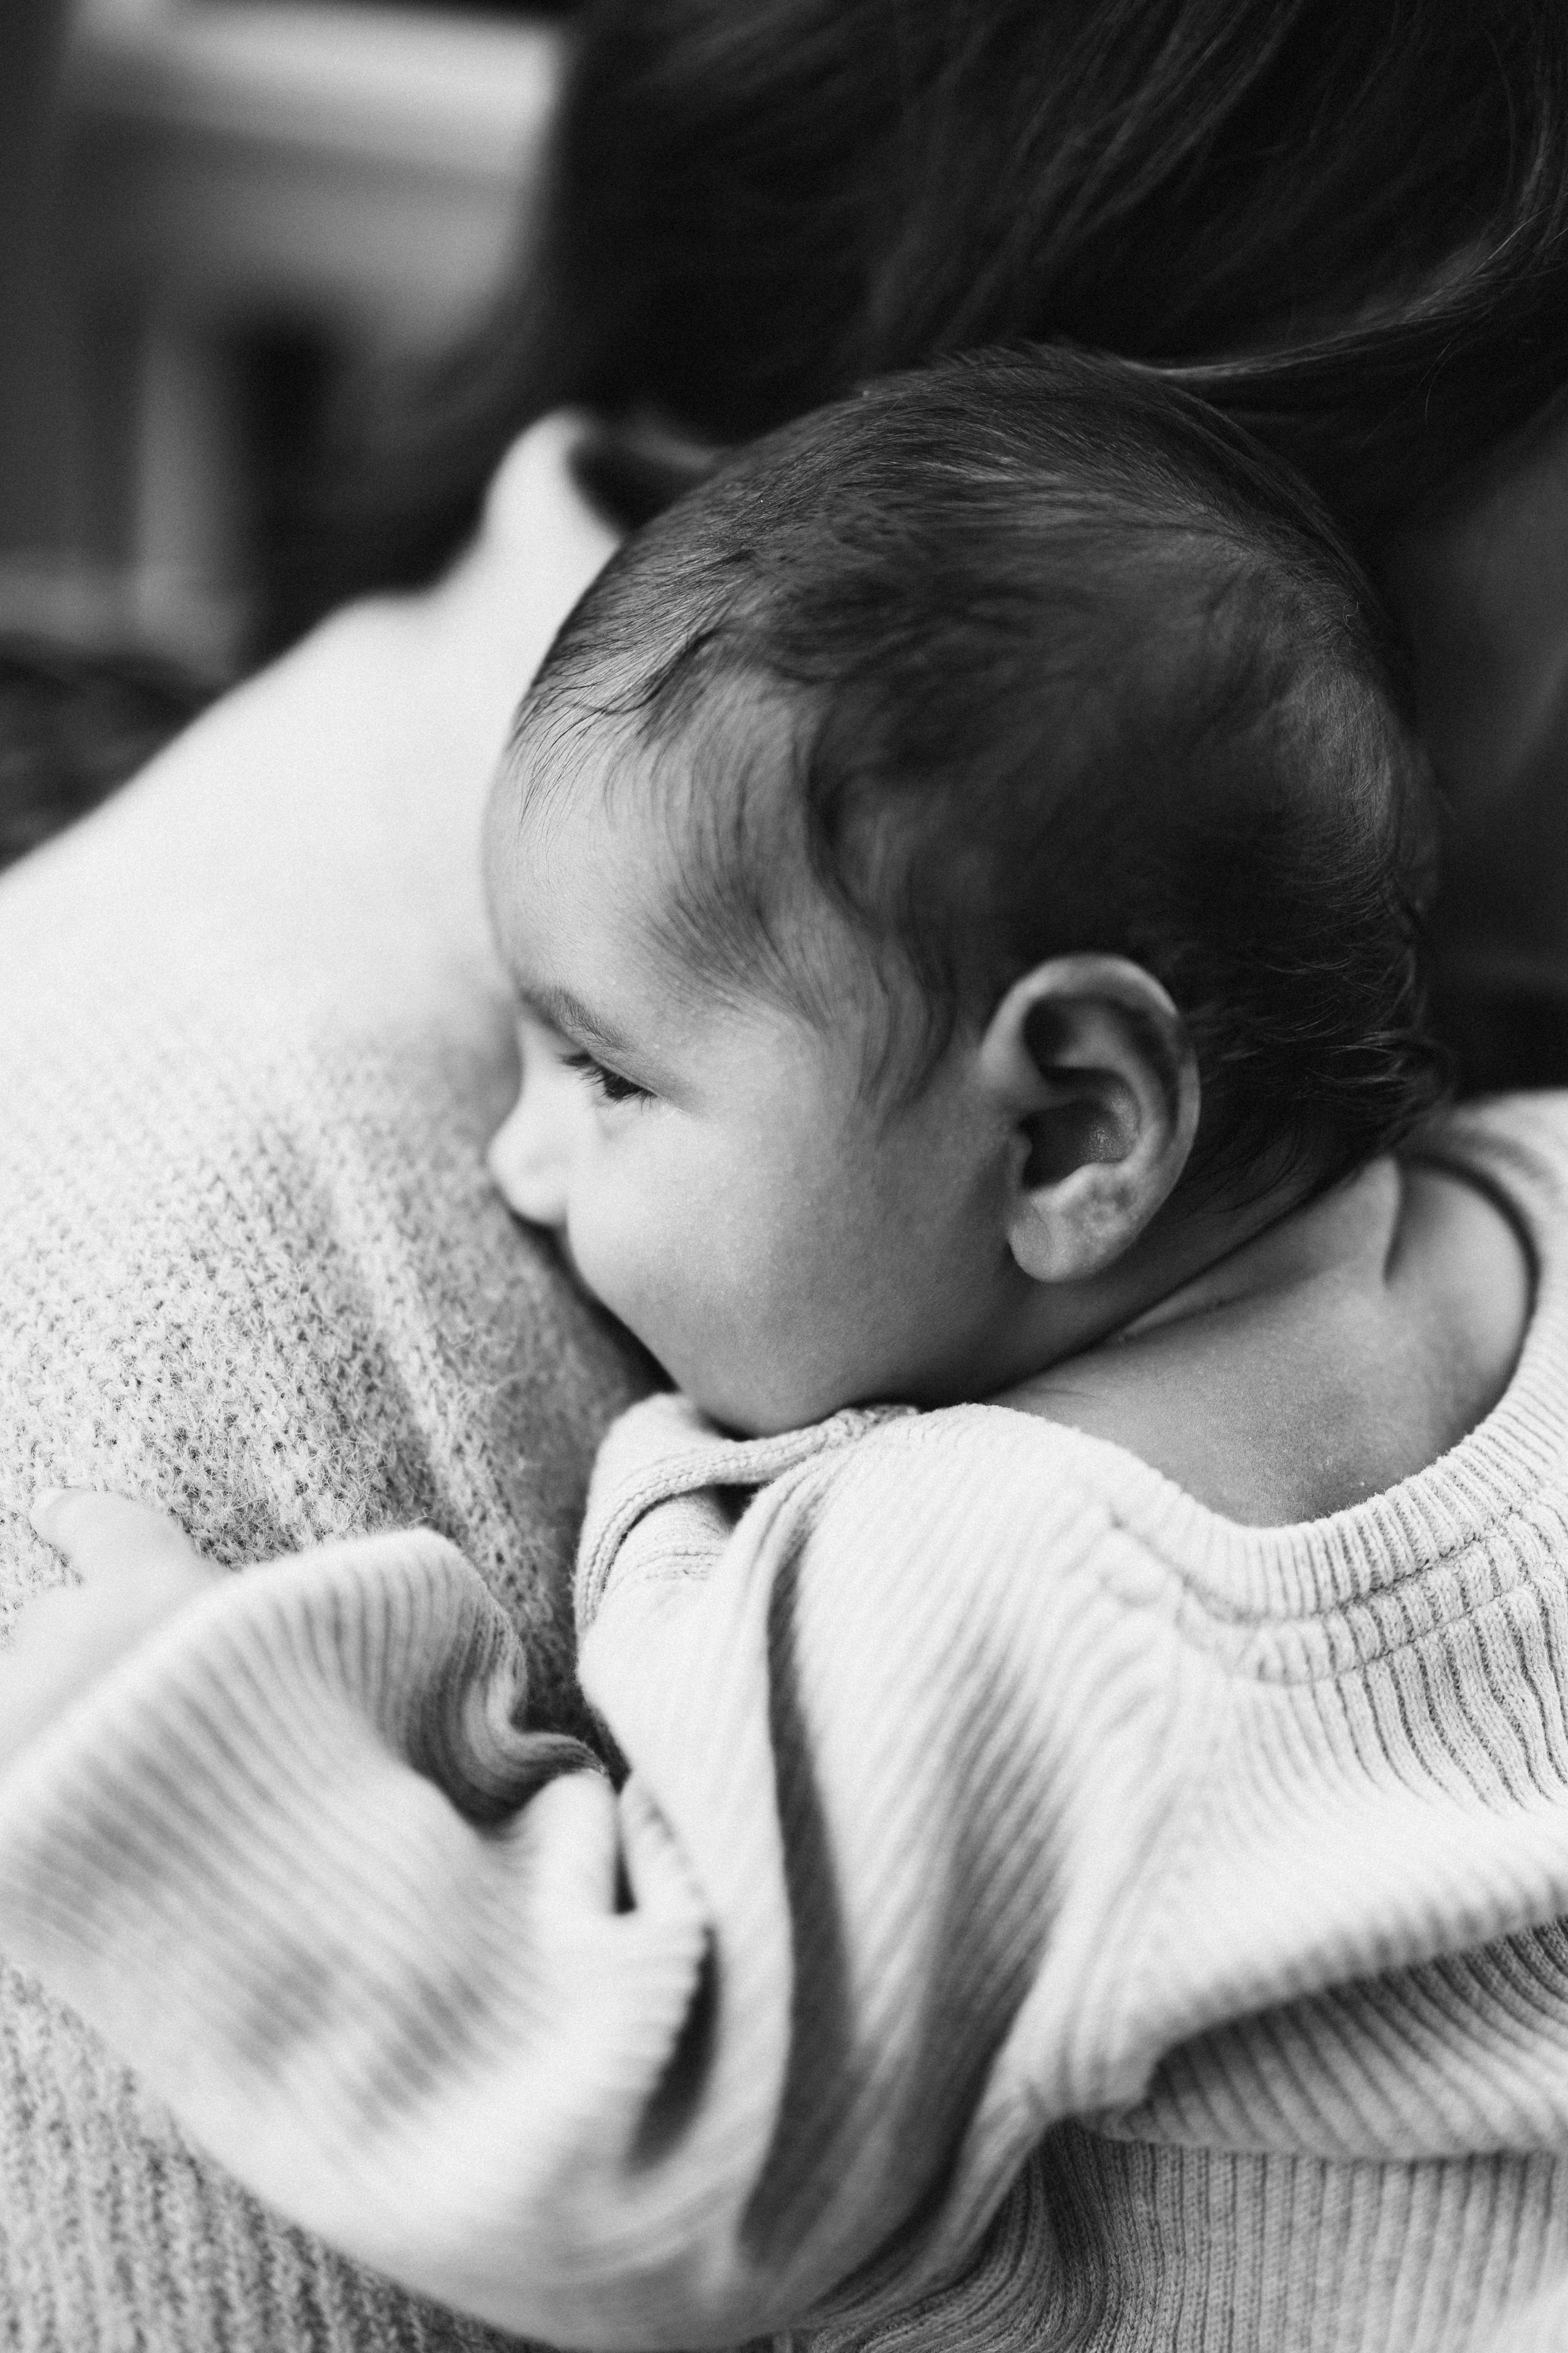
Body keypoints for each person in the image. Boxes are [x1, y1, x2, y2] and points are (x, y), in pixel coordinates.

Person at [6, 6, 1568, 2347]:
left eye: (607, 1081)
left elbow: (657, 2146)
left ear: (1068, 1128)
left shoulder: (979, 1578)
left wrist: (174, 1744)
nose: (524, 1160)